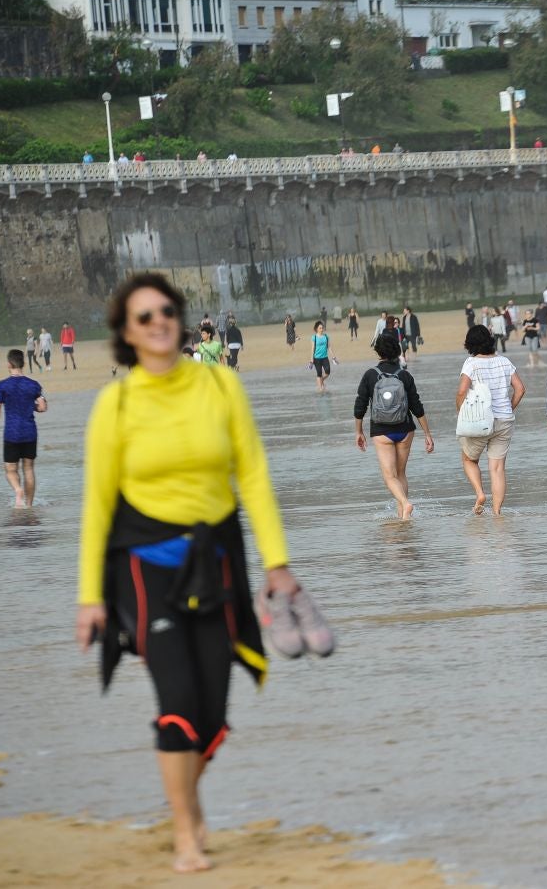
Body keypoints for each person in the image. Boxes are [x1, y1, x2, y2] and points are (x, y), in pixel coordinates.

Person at [75, 273, 331, 875]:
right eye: (144, 316)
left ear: (180, 318)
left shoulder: (219, 385)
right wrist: (90, 597)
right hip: (144, 568)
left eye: (166, 310)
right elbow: (97, 505)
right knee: (179, 700)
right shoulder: (116, 404)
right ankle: (185, 830)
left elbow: (254, 476)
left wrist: (277, 565)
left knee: (212, 714)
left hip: (215, 561)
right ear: (126, 332)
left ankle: (184, 800)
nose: (158, 321)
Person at [354, 333, 434, 520]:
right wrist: (427, 434)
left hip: (382, 431)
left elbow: (360, 406)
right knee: (400, 473)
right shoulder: (404, 375)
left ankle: (405, 504)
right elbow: (417, 406)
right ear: (397, 351)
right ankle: (403, 516)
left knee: (389, 477)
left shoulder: (370, 375)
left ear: (378, 351)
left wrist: (359, 431)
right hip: (405, 430)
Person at [456, 325, 526, 516]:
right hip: (504, 420)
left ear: (470, 343)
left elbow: (462, 391)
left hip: (479, 420)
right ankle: (497, 513)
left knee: (469, 459)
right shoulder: (504, 361)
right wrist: (509, 408)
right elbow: (520, 389)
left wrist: (461, 412)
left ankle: (480, 494)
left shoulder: (471, 363)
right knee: (497, 469)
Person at [0, 348, 46, 507]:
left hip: (12, 433)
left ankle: (18, 490)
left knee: (10, 469)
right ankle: (29, 506)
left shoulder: (3, 386)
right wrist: (31, 405)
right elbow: (42, 407)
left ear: (9, 364)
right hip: (30, 432)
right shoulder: (33, 385)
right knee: (28, 469)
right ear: (23, 363)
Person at [310, 321, 331, 392]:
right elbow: (312, 348)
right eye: (320, 328)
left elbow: (329, 347)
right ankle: (320, 389)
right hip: (316, 358)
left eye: (322, 328)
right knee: (319, 373)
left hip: (325, 357)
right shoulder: (314, 337)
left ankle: (321, 381)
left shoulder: (326, 336)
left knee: (327, 371)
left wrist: (333, 356)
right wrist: (311, 359)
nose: (322, 329)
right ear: (317, 329)